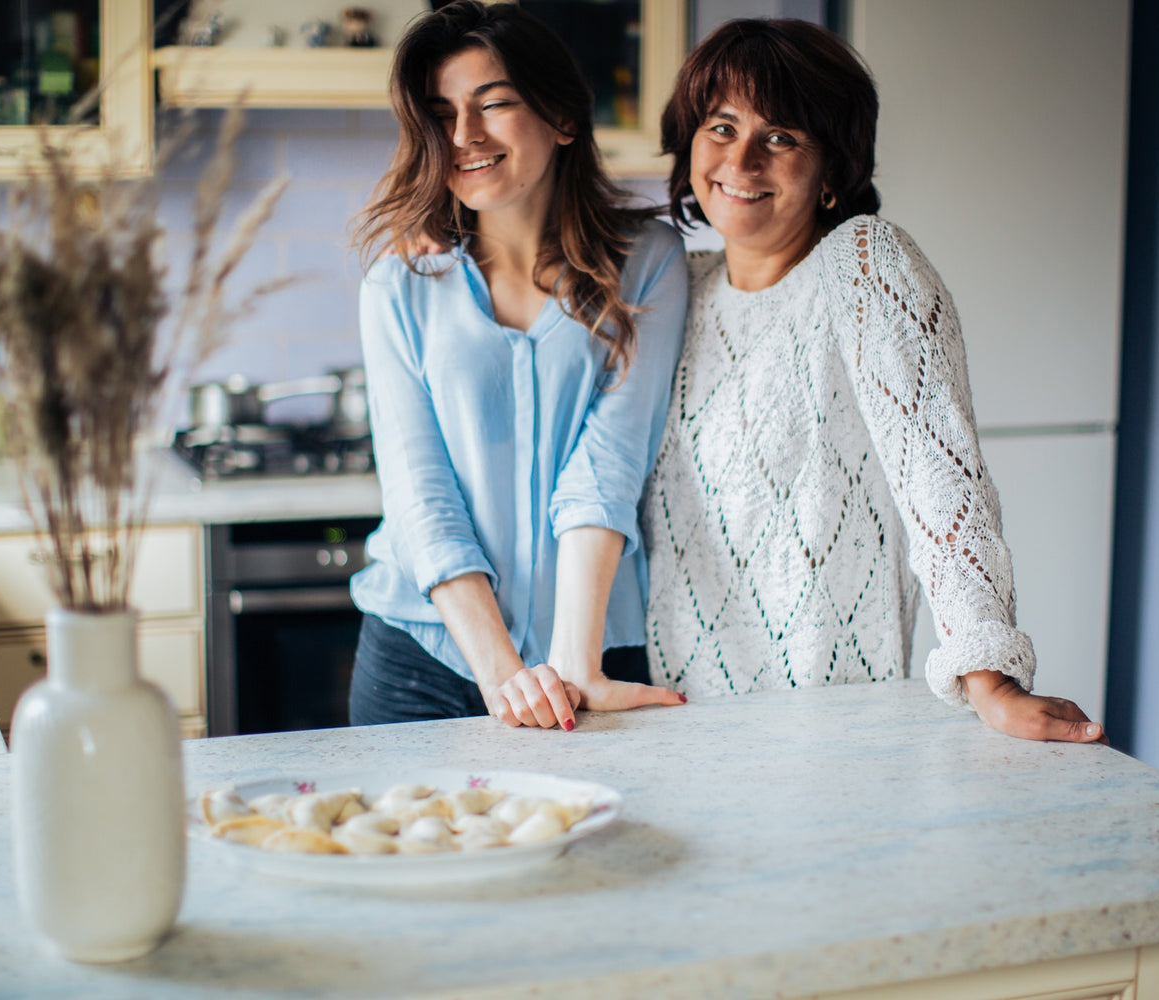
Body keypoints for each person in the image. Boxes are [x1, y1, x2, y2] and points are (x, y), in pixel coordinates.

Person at [641, 18, 1104, 744]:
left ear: (833, 170)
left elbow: (939, 478)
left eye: (782, 136)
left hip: (827, 728)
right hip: (678, 720)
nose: (743, 158)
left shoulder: (863, 264)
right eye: (721, 127)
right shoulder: (675, 290)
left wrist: (989, 677)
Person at [347, 1, 688, 730]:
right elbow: (420, 495)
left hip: (592, 655)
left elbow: (610, 463)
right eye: (441, 114)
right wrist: (506, 677)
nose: (465, 136)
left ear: (562, 117)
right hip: (422, 661)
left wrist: (569, 666)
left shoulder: (650, 261)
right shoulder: (399, 285)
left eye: (493, 104)